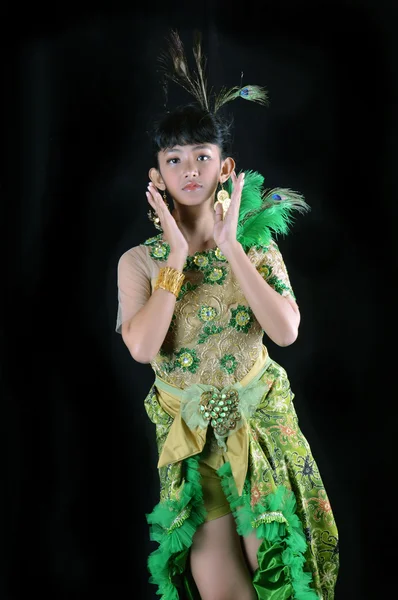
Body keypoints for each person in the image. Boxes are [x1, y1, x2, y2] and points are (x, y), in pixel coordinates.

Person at [116, 31, 339, 600]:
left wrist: (231, 247)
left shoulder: (258, 248)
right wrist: (179, 253)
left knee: (282, 579)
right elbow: (142, 348)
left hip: (260, 431)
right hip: (192, 445)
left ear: (225, 167)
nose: (189, 170)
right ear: (156, 177)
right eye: (174, 160)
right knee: (221, 592)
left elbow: (286, 332)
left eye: (202, 157)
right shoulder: (139, 261)